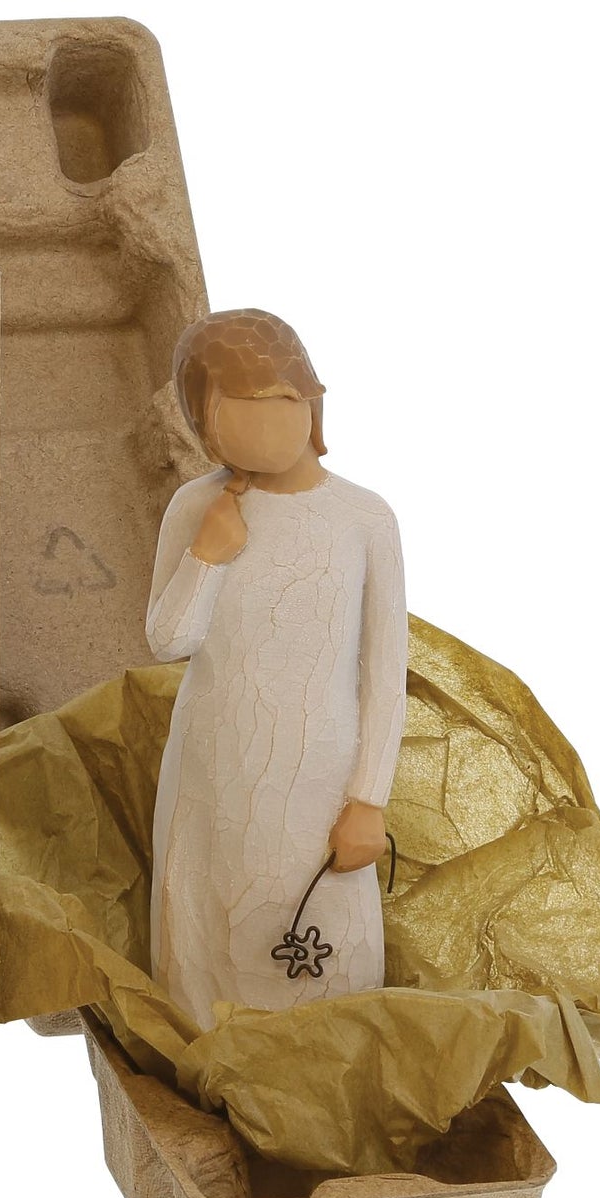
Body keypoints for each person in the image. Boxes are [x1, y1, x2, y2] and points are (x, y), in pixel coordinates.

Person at [146, 309, 406, 1025]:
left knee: (328, 957)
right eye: (230, 414)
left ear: (310, 400)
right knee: (206, 948)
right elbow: (168, 639)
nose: (263, 426)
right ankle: (205, 1061)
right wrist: (208, 555)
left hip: (321, 778)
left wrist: (368, 800)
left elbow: (385, 673)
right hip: (211, 769)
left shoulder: (364, 519)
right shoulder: (196, 506)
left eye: (279, 400)